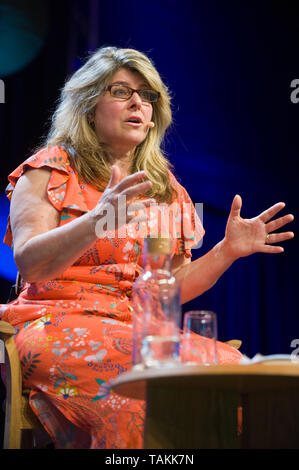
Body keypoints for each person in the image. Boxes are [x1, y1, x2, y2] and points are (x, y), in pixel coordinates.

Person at [0, 46, 294, 449]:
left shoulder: (166, 190)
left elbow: (168, 286)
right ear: (88, 106)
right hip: (55, 320)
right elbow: (30, 264)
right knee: (142, 392)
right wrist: (97, 220)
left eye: (147, 95)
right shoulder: (51, 169)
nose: (138, 102)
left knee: (244, 380)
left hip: (144, 330)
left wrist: (226, 251)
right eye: (121, 91)